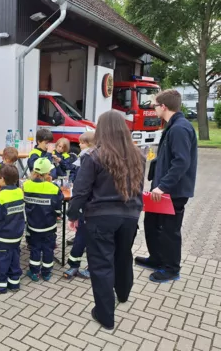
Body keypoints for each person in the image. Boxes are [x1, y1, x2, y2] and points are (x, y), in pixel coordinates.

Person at [67, 110, 145, 330]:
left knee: (101, 265)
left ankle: (105, 315)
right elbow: (139, 188)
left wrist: (73, 215)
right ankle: (123, 294)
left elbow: (81, 191)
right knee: (123, 256)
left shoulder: (94, 156)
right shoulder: (137, 155)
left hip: (100, 218)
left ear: (101, 130)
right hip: (129, 216)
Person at [135, 89, 197, 283]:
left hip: (173, 192)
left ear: (163, 106)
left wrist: (163, 186)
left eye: (154, 105)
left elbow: (181, 162)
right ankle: (157, 259)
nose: (153, 109)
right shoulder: (173, 126)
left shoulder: (180, 128)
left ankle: (171, 269)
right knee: (152, 224)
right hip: (161, 190)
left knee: (169, 230)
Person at [0, 164, 25, 293]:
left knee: (1, 260)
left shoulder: (0, 197)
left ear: (2, 179)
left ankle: (0, 284)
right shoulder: (19, 192)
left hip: (3, 236)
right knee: (14, 258)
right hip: (17, 234)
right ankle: (14, 283)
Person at [23, 158, 63, 282]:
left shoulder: (26, 185)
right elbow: (57, 208)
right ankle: (46, 273)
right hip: (49, 226)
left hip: (33, 226)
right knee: (48, 249)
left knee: (35, 248)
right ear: (47, 173)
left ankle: (34, 272)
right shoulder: (53, 188)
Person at [63, 131, 95, 279]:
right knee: (79, 239)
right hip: (83, 206)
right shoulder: (82, 158)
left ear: (88, 144)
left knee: (91, 242)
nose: (79, 145)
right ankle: (73, 265)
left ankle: (90, 267)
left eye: (81, 142)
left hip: (91, 208)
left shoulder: (91, 158)